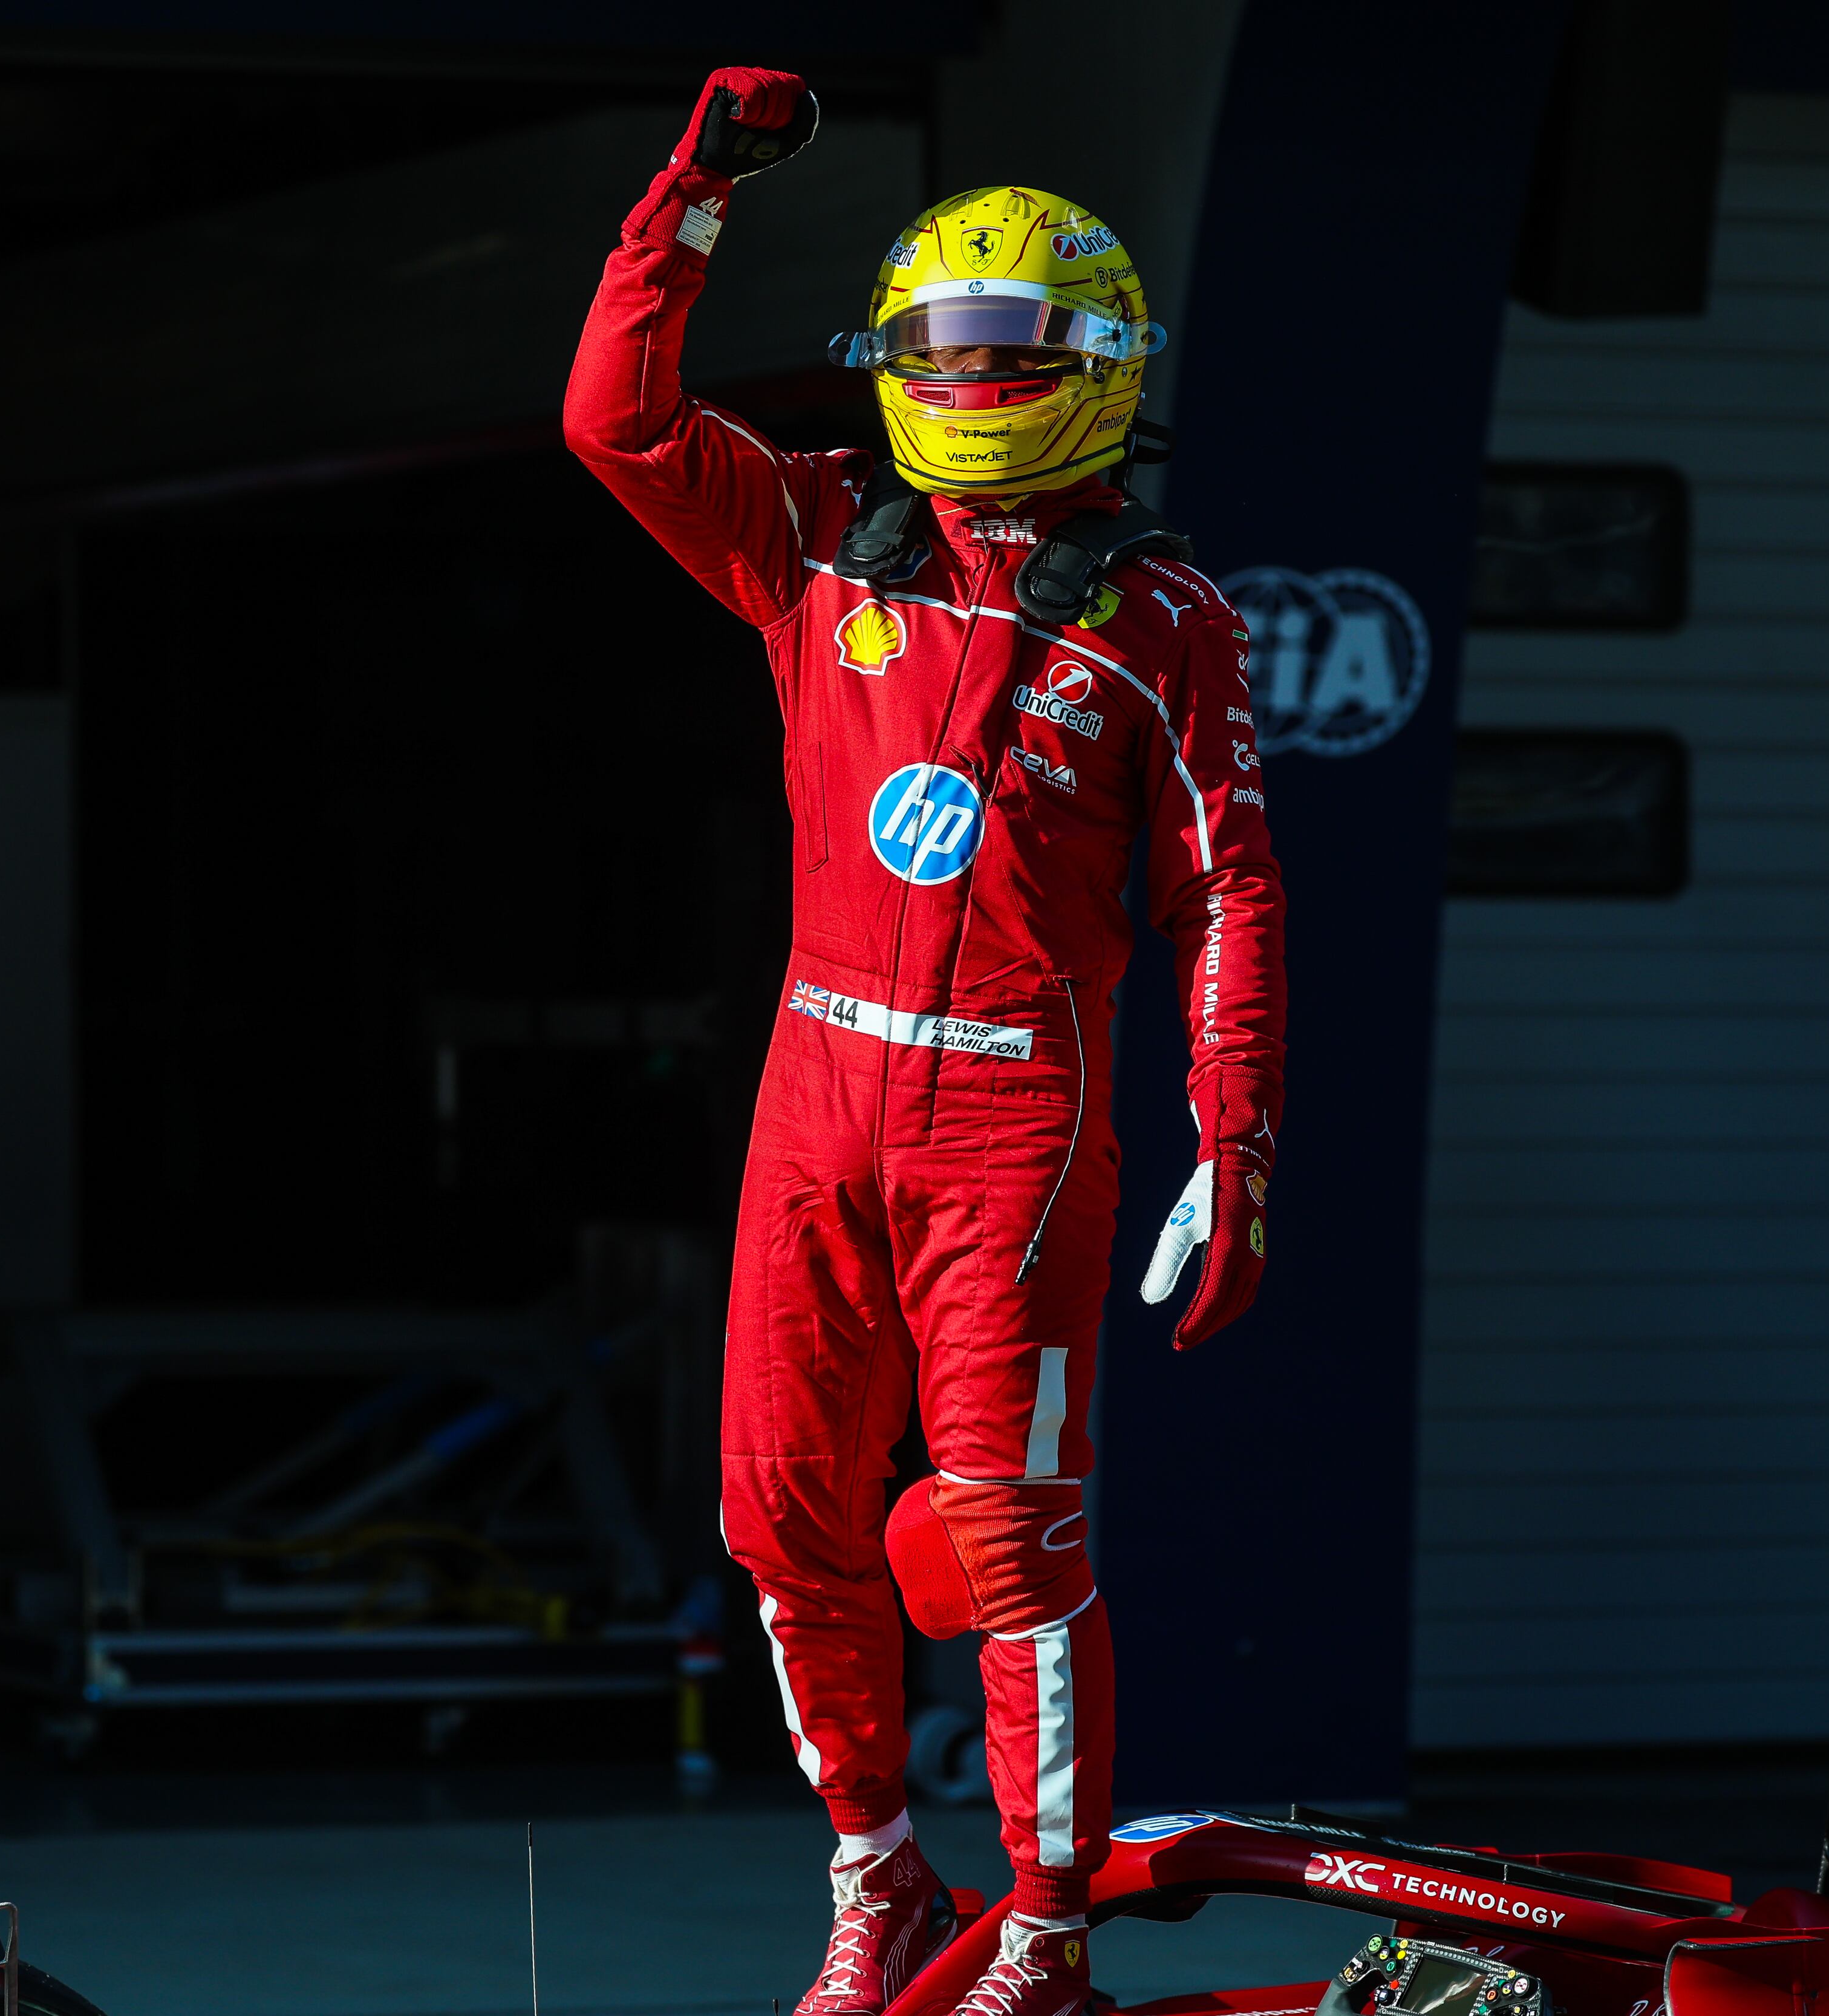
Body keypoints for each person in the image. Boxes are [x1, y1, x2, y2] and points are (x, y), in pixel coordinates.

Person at [564, 69, 1287, 2016]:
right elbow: (612, 417)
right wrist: (692, 193)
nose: (967, 377)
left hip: (1010, 1117)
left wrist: (1239, 1141)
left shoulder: (1167, 621)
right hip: (816, 1090)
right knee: (779, 1510)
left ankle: (1043, 1933)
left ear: (1098, 364)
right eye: (938, 344)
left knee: (1004, 1529)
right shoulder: (811, 539)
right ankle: (877, 1869)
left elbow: (1225, 888)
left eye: (1010, 347)